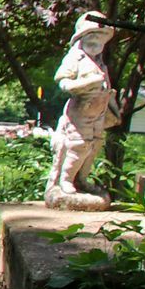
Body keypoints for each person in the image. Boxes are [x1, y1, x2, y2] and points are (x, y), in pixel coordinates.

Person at [45, 12, 120, 209]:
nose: (96, 40)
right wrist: (89, 83)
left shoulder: (100, 62)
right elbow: (64, 84)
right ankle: (66, 180)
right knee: (79, 145)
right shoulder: (75, 58)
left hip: (100, 111)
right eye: (92, 35)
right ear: (81, 37)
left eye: (100, 36)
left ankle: (82, 180)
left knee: (95, 145)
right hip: (81, 111)